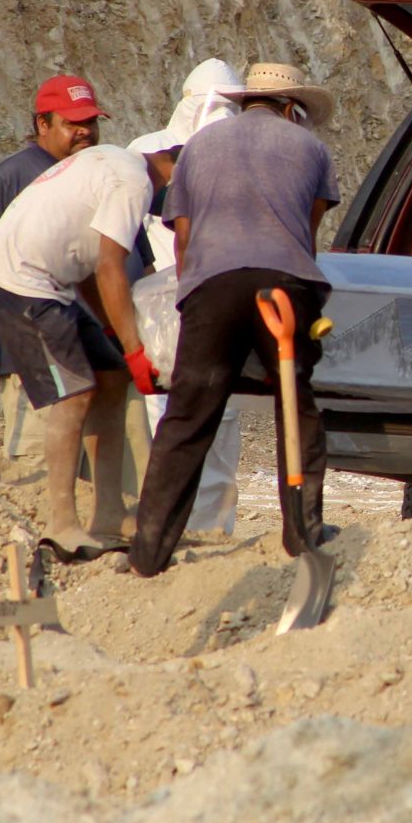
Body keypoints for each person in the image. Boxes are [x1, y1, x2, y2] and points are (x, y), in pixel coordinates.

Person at [130, 62, 340, 577]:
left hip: (211, 283)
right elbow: (305, 237)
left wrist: (195, 300)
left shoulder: (200, 146)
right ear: (291, 108)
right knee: (296, 402)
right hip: (284, 285)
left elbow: (182, 234)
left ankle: (149, 551)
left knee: (189, 411)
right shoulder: (311, 149)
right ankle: (303, 534)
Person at [0, 139, 178, 558]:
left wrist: (116, 339)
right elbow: (109, 268)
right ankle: (61, 523)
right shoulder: (132, 183)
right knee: (75, 392)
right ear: (174, 168)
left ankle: (109, 512)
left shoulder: (113, 164)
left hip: (53, 285)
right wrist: (138, 351)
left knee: (111, 375)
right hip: (19, 283)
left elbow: (86, 265)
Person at [0, 75, 103, 460]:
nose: (84, 132)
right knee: (39, 461)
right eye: (72, 123)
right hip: (31, 349)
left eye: (90, 122)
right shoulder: (11, 176)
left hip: (85, 348)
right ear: (42, 125)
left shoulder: (94, 174)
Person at [126, 58, 247, 537]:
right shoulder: (148, 155)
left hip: (211, 305)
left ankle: (208, 534)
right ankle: (169, 533)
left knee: (218, 419)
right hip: (161, 314)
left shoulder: (238, 159)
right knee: (168, 423)